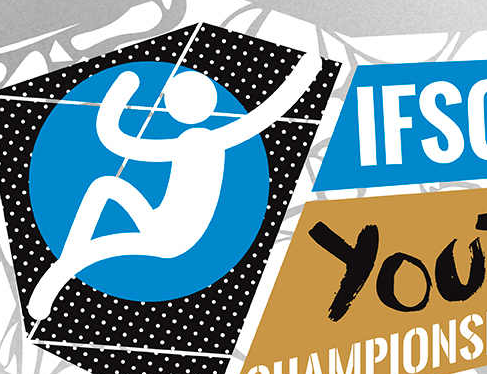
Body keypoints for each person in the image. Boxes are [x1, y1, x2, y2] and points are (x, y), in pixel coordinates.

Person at [28, 51, 324, 322]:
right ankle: (60, 271)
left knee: (96, 235)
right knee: (104, 191)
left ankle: (58, 274)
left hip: (170, 237)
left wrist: (121, 92)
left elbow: (116, 139)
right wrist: (306, 72)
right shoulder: (203, 140)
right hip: (159, 223)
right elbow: (115, 140)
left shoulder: (203, 142)